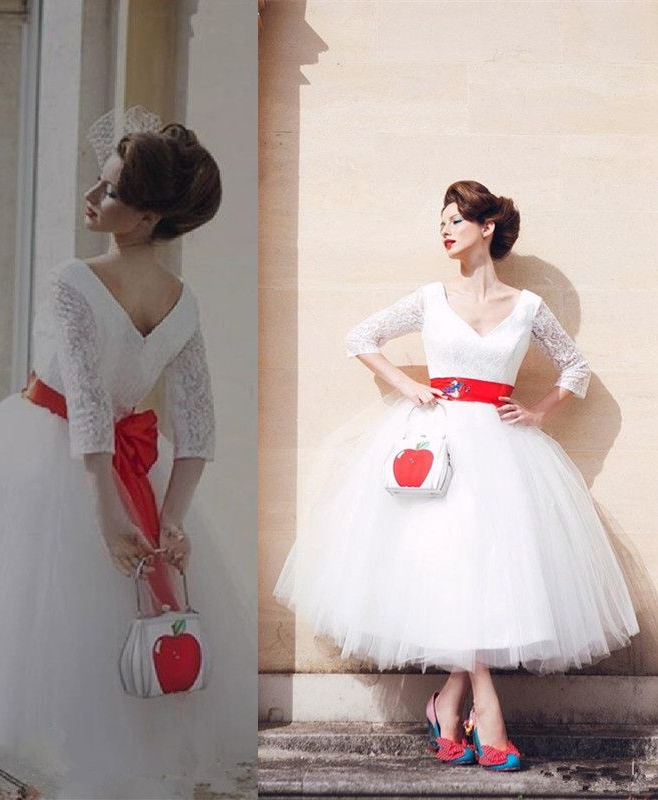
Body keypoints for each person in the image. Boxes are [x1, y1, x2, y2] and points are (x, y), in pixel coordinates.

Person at [273, 180, 639, 771]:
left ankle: (448, 704)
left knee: (483, 575)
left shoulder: (527, 307)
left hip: (503, 452)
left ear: (486, 227)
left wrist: (539, 411)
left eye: (455, 220)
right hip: (436, 445)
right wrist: (409, 384)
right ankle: (485, 714)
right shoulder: (428, 297)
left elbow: (576, 366)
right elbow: (359, 337)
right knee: (449, 570)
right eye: (441, 221)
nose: (444, 230)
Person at [0, 119, 248, 799]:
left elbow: (85, 404)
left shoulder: (74, 279)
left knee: (2, 643)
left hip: (46, 462)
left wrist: (107, 512)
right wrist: (173, 521)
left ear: (147, 214)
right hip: (139, 473)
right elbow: (198, 427)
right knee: (95, 652)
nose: (90, 195)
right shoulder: (183, 302)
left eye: (108, 190)